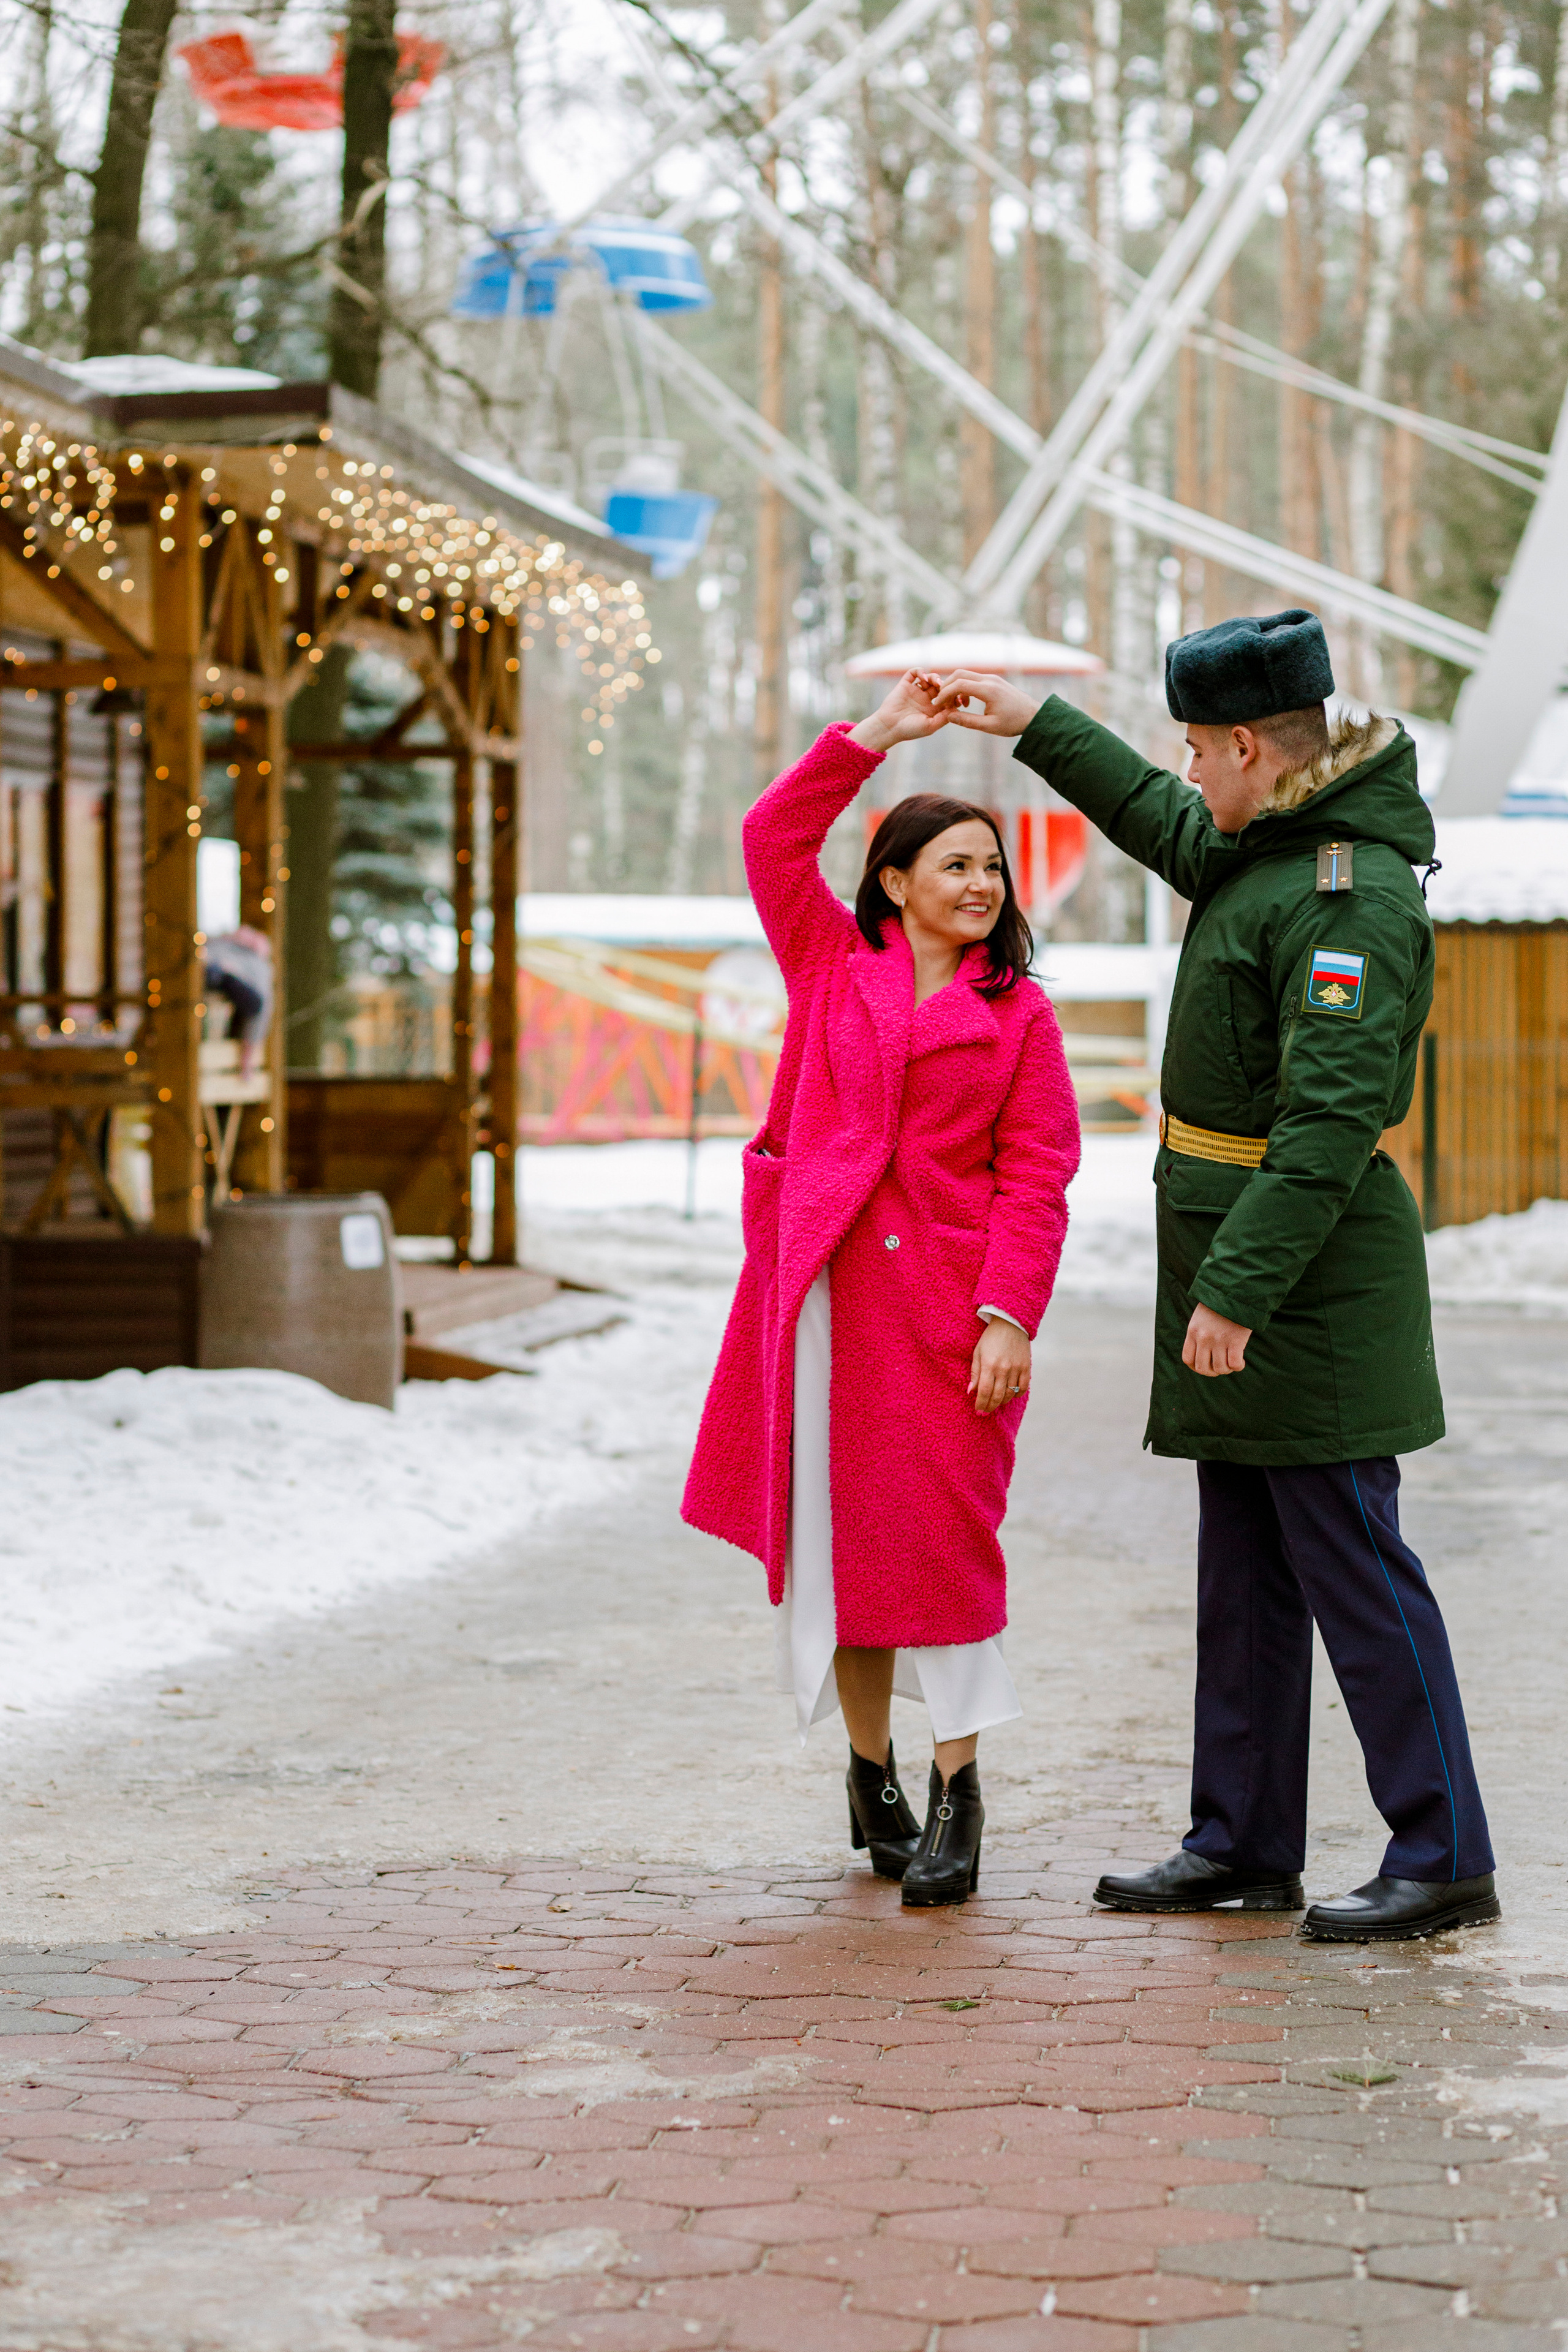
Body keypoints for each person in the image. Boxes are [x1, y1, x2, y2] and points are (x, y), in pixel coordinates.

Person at [932, 610, 1499, 1943]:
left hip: (1301, 1291)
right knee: (1242, 1578)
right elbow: (1151, 815)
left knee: (1358, 1575)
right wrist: (1022, 720)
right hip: (1240, 1264)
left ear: (1249, 745)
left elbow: (1323, 1132)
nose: (1185, 772)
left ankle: (1444, 1850)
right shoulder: (1267, 846)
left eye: (1196, 750)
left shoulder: (1343, 897)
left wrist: (1233, 1293)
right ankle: (1241, 1839)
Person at [682, 670, 1080, 1906]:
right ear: (894, 881)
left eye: (992, 869)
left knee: (948, 1552)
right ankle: (873, 1776)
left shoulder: (1018, 1018)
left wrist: (1008, 1312)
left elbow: (1040, 1169)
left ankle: (961, 1796)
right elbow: (770, 834)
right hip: (821, 1303)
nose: (979, 887)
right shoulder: (825, 965)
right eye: (954, 866)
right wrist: (878, 736)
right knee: (847, 1553)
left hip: (949, 1319)